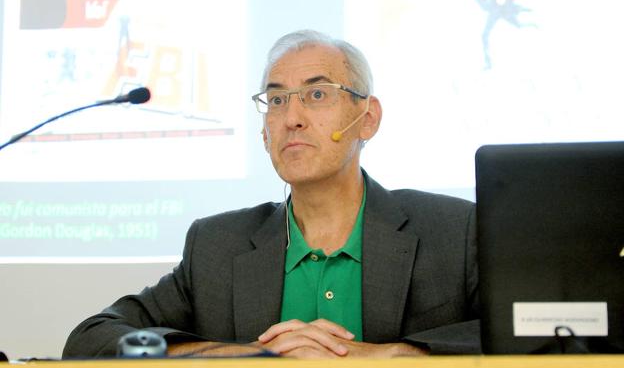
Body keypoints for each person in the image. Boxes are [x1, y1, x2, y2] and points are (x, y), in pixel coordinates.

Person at [63, 30, 479, 359]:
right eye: (277, 100)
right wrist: (238, 355)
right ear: (264, 132)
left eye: (317, 94)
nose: (291, 118)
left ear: (367, 119)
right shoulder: (217, 246)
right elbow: (91, 339)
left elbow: (535, 337)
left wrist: (392, 354)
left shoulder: (453, 230)